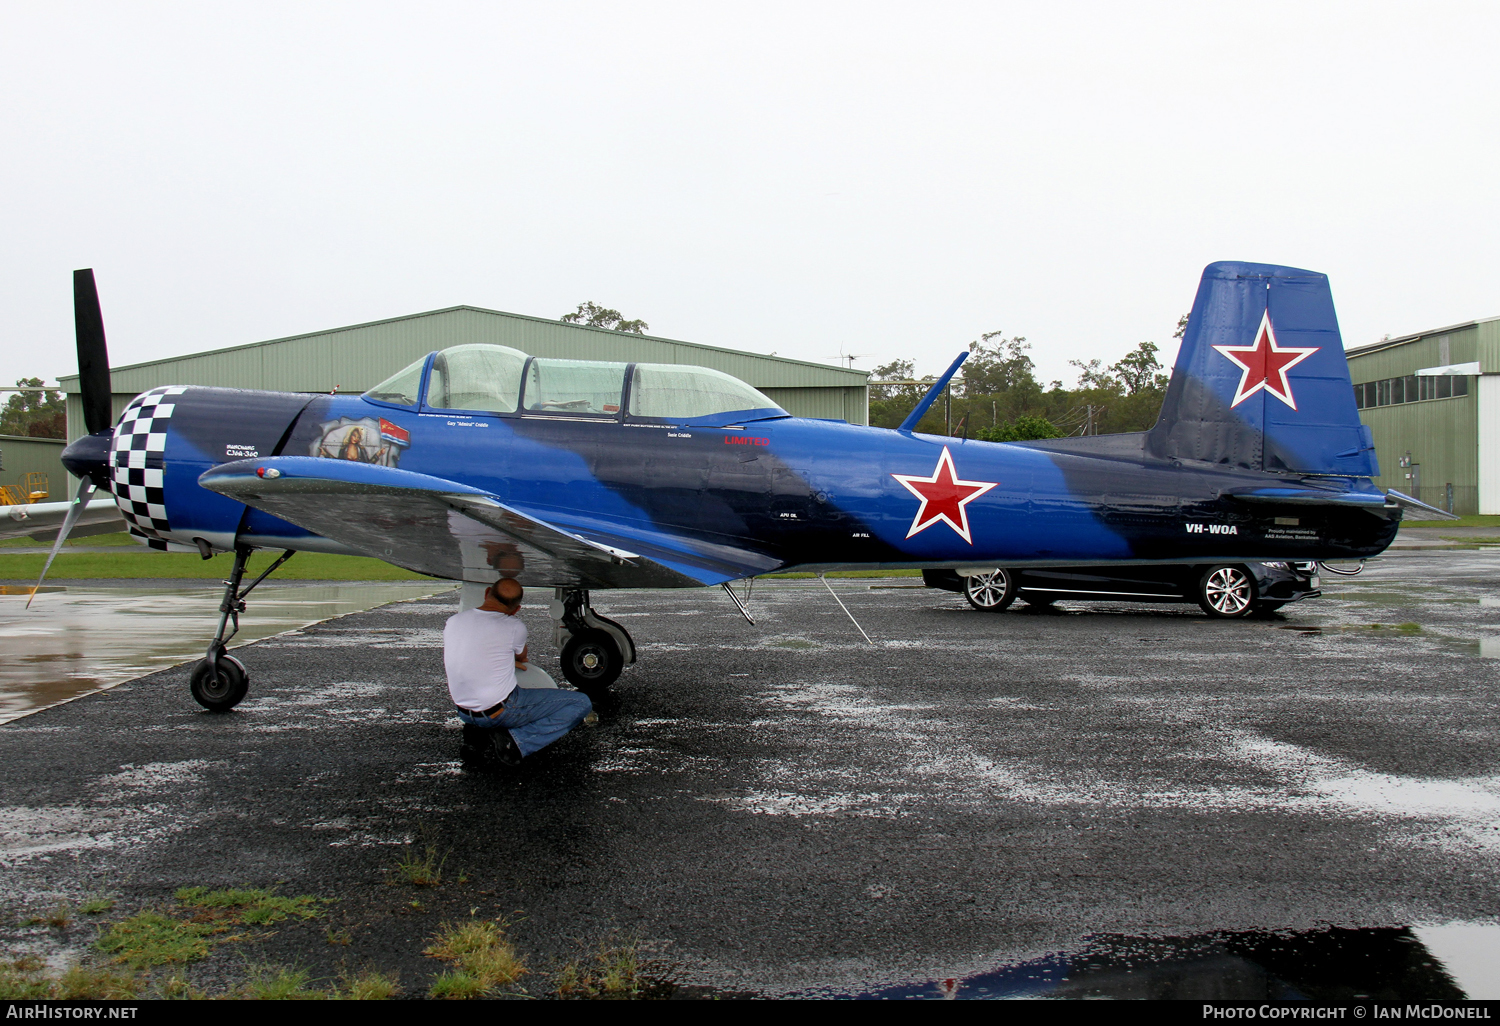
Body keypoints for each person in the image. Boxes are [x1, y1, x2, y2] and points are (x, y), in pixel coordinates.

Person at [443, 578, 593, 768]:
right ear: (516, 610)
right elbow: (522, 657)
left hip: (463, 711)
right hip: (500, 711)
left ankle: (477, 734)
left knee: (487, 688)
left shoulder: (454, 621)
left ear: (487, 592)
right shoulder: (514, 626)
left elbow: (471, 652)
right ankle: (516, 742)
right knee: (581, 703)